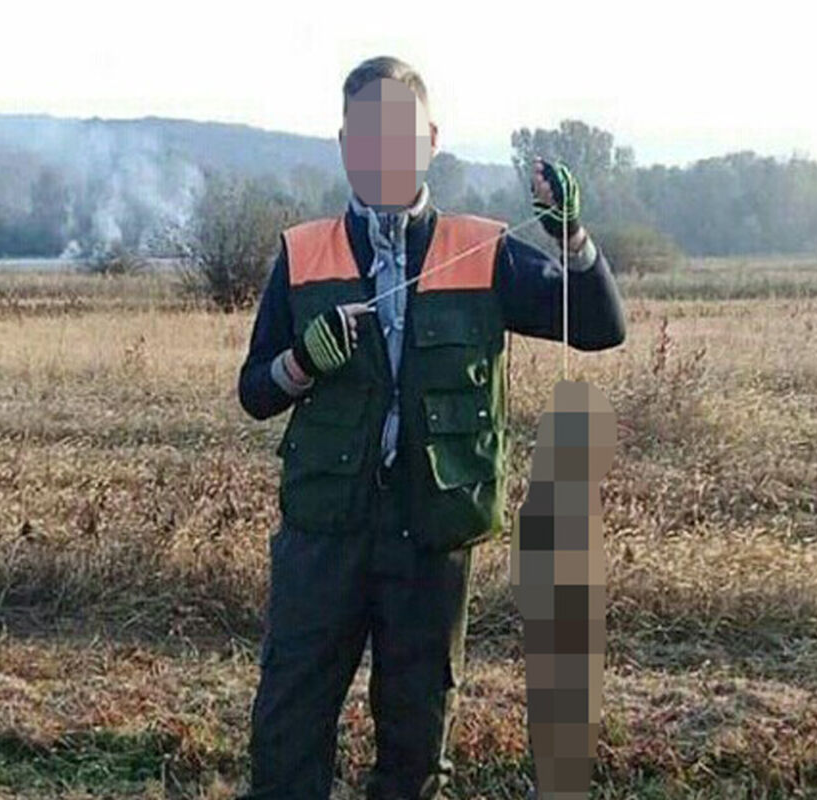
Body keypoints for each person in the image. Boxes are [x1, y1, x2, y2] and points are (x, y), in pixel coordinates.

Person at [236, 55, 626, 800]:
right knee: (287, 732)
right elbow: (255, 393)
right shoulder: (302, 252)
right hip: (324, 534)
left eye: (399, 133)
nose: (382, 150)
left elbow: (601, 326)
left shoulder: (482, 250)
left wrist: (572, 238)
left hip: (430, 535)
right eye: (366, 134)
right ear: (344, 145)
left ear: (431, 140)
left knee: (415, 749)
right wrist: (301, 362)